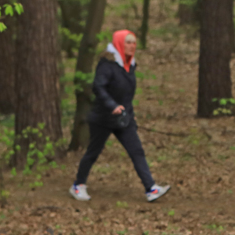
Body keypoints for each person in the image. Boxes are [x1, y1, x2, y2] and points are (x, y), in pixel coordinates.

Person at [71, 30, 170, 203]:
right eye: (128, 42)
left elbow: (126, 95)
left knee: (137, 151)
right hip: (103, 118)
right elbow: (98, 88)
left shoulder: (130, 65)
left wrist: (130, 114)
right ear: (119, 44)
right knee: (93, 152)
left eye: (134, 43)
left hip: (123, 119)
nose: (132, 46)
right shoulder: (107, 64)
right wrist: (113, 106)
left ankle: (151, 188)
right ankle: (78, 185)